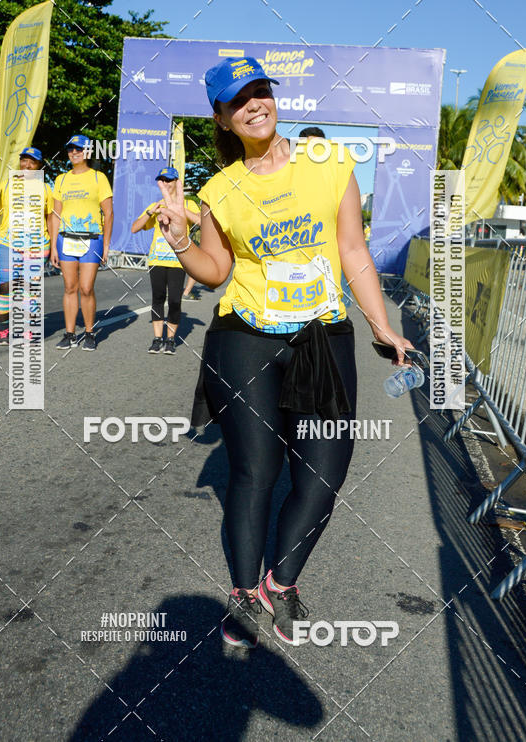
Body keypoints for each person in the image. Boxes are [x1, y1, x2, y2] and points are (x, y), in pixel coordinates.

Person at [153, 56, 412, 648]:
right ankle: (245, 593)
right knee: (256, 469)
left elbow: (353, 252)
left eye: (260, 91)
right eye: (238, 100)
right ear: (221, 117)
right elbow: (216, 271)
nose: (254, 104)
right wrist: (180, 243)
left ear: (274, 97)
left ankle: (283, 581)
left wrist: (383, 328)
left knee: (324, 472)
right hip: (244, 336)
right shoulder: (219, 188)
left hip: (323, 335)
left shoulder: (329, 164)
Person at [50, 135, 113, 351]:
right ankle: (69, 334)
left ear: (87, 152)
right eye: (70, 149)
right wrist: (52, 248)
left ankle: (89, 333)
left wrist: (106, 245)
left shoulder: (98, 178)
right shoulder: (61, 179)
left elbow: (109, 212)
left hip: (91, 239)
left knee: (86, 288)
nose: (74, 153)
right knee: (69, 287)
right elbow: (55, 215)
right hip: (65, 238)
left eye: (79, 149)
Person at [0, 147, 52, 345]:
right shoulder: (6, 186)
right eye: (24, 160)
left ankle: (29, 330)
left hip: (37, 245)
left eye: (32, 162)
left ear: (40, 166)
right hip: (8, 244)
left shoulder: (46, 189)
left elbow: (50, 220)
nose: (27, 165)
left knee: (30, 289)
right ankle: (3, 331)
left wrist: (53, 248)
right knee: (6, 287)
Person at [132, 166, 200, 354]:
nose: (165, 183)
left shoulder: (188, 204)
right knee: (158, 298)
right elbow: (134, 228)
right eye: (162, 180)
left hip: (178, 260)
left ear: (177, 183)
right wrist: (149, 213)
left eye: (169, 180)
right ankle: (157, 339)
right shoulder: (156, 205)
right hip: (157, 259)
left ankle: (170, 340)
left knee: (175, 301)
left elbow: (201, 221)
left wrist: (181, 210)